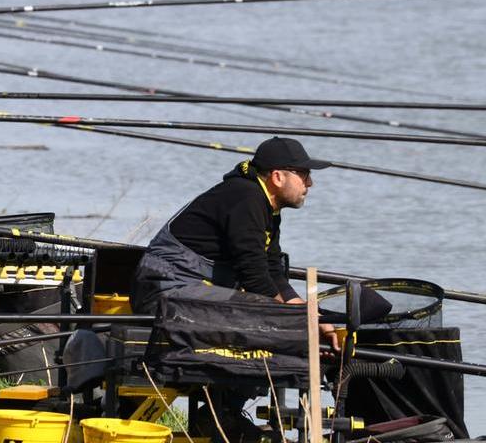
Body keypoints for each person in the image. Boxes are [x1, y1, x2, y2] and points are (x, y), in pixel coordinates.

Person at [131, 137, 338, 442]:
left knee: (271, 321)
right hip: (166, 293)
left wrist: (309, 315)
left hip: (191, 293)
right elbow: (254, 278)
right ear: (278, 176)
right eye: (304, 174)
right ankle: (222, 413)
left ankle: (221, 414)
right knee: (260, 320)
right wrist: (300, 325)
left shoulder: (266, 204)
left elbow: (271, 270)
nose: (311, 183)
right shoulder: (246, 198)